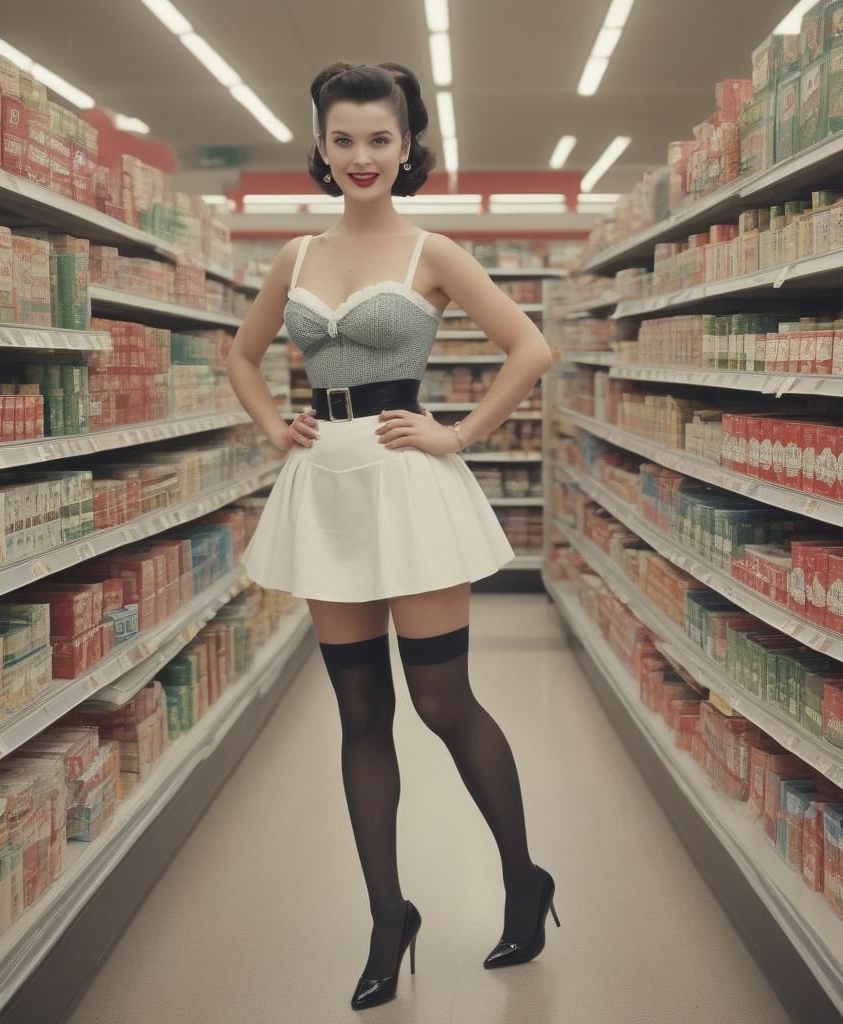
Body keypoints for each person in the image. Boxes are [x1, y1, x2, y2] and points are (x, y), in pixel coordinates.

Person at [226, 60, 560, 1012]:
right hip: (325, 486)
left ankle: (523, 878)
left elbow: (531, 347)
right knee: (360, 713)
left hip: (407, 484)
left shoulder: (432, 252)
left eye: (380, 138)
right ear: (322, 148)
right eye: (344, 139)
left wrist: (458, 433)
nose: (362, 155)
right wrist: (273, 425)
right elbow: (243, 355)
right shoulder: (294, 258)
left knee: (442, 702)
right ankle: (388, 916)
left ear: (407, 145)